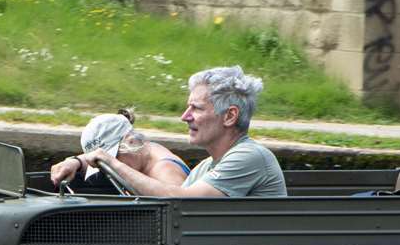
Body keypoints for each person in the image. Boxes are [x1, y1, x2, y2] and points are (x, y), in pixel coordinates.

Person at [72, 67, 287, 198]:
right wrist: (79, 161)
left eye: (197, 108)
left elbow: (180, 200)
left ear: (230, 116)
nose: (185, 117)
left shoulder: (250, 156)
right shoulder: (206, 167)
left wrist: (111, 162)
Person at [49, 110, 192, 191]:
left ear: (130, 141)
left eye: (112, 158)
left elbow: (181, 207)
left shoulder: (165, 169)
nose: (107, 167)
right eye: (101, 164)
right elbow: (99, 158)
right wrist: (76, 162)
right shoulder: (137, 153)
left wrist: (110, 161)